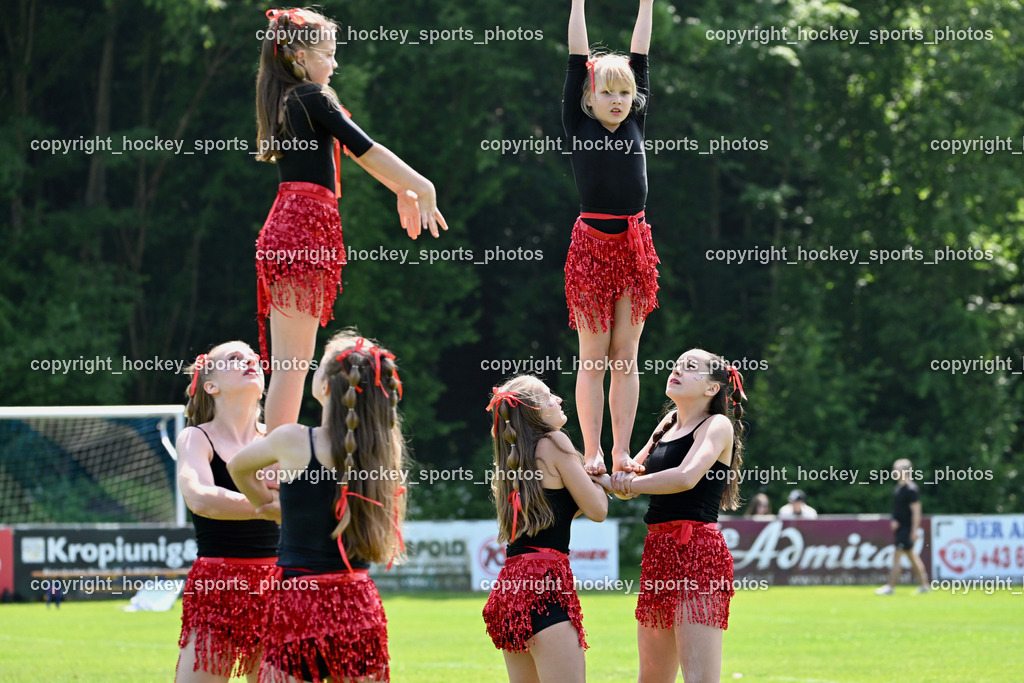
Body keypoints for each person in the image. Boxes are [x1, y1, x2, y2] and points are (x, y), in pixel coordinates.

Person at [255, 7, 447, 432]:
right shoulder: (311, 97)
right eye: (329, 54)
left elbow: (357, 157)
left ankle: (273, 461)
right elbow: (367, 149)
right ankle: (274, 468)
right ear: (299, 56)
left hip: (294, 226)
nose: (336, 63)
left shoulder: (294, 97)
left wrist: (401, 188)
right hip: (301, 229)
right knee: (293, 364)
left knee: (292, 363)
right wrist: (423, 186)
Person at [228, 331, 406, 682]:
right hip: (356, 602)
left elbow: (237, 467)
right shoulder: (383, 450)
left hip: (297, 599)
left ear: (325, 387)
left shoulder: (293, 439)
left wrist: (266, 503)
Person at [609, 349, 746, 683]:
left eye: (690, 368)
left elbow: (686, 477)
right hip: (658, 552)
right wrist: (588, 468)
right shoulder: (667, 422)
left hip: (698, 552)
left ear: (712, 388)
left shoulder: (718, 425)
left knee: (698, 678)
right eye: (676, 365)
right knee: (652, 678)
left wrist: (630, 483)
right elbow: (627, 476)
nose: (677, 370)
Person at [564, 0, 660, 478]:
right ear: (589, 97)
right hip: (592, 249)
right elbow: (577, 55)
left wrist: (646, 4)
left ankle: (622, 449)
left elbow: (640, 53)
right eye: (608, 92)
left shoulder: (636, 123)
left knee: (626, 356)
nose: (619, 100)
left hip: (634, 247)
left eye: (626, 93)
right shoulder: (578, 124)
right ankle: (592, 451)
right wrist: (578, 3)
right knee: (593, 356)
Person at [481, 376, 609, 683]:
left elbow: (557, 513)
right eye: (550, 396)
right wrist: (600, 478)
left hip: (510, 589)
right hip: (544, 584)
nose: (559, 399)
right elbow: (598, 510)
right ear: (535, 411)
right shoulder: (554, 441)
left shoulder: (516, 457)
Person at [175, 342, 281, 683]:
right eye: (235, 358)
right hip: (217, 584)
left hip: (281, 584)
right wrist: (268, 509)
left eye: (253, 357)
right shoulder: (195, 437)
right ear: (211, 385)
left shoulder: (281, 439)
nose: (250, 360)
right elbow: (201, 498)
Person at [876, 458, 929, 595]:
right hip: (900, 529)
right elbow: (897, 510)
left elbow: (916, 511)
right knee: (912, 557)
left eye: (897, 469)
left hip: (906, 529)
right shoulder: (898, 488)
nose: (894, 472)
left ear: (905, 471)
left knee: (897, 557)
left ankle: (890, 587)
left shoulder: (911, 490)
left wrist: (914, 530)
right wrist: (894, 520)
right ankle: (924, 585)